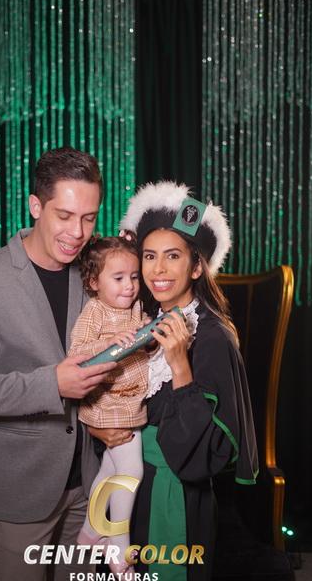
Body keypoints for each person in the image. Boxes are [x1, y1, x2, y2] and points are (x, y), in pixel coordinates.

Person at [0, 147, 122, 581]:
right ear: (36, 206)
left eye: (89, 218)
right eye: (65, 215)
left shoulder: (93, 273)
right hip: (17, 491)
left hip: (88, 486)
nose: (78, 232)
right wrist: (52, 384)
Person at [89, 181, 258, 581]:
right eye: (149, 256)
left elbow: (202, 459)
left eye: (173, 256)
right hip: (128, 492)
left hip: (173, 502)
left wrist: (180, 366)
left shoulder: (214, 338)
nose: (158, 269)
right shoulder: (141, 320)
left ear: (196, 267)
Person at [68, 233, 149, 575]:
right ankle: (118, 547)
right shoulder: (95, 311)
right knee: (132, 472)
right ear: (93, 283)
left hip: (132, 402)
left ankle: (90, 532)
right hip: (108, 404)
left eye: (133, 277)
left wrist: (149, 333)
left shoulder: (135, 307)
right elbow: (76, 354)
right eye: (118, 278)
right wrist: (108, 343)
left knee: (111, 471)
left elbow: (141, 343)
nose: (129, 286)